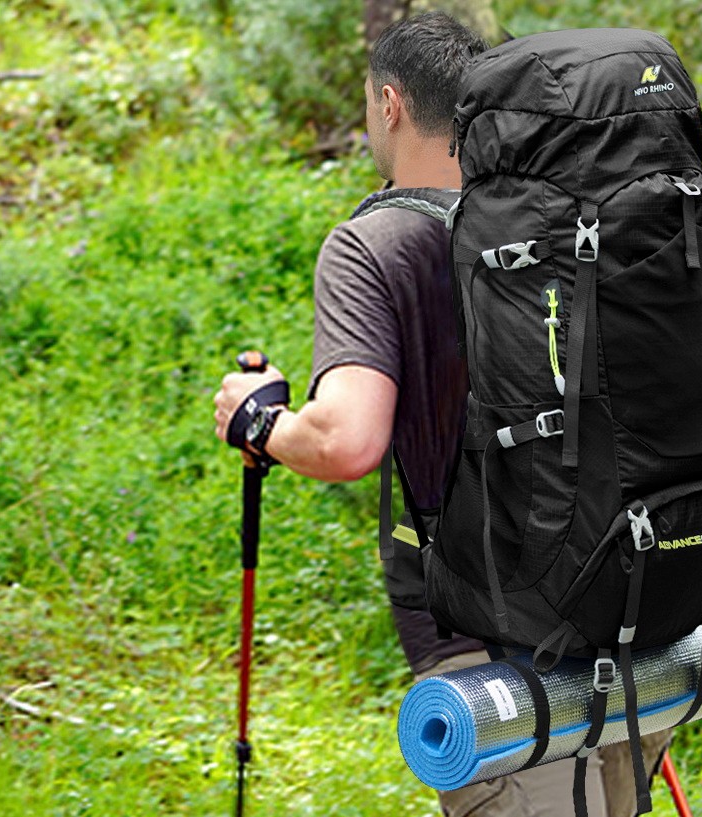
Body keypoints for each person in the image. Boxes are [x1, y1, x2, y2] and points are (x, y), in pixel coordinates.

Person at [214, 12, 669, 816]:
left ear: (390, 104)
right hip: (627, 625)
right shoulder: (568, 223)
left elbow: (347, 438)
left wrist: (258, 420)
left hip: (493, 657)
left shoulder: (375, 244)